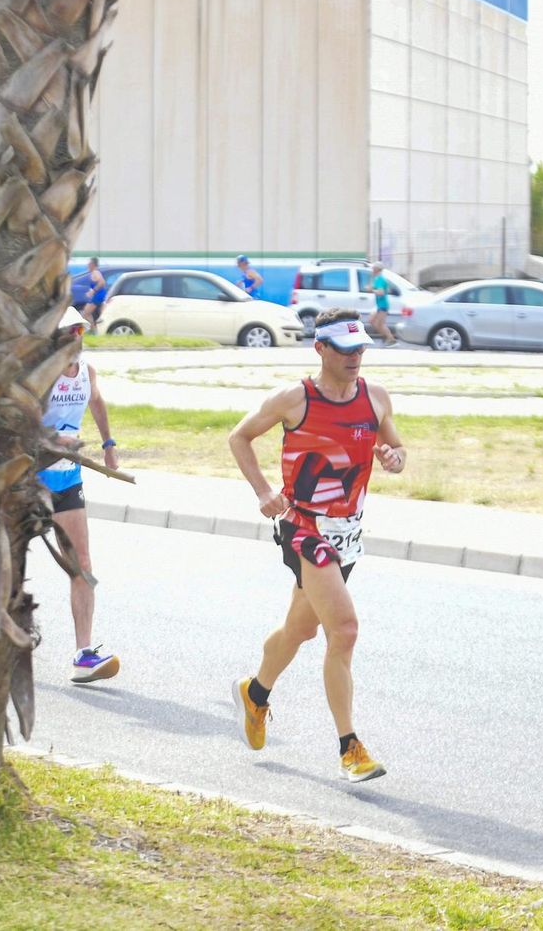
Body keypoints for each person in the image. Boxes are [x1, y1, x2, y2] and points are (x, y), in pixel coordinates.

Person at [227, 306, 407, 782]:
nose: (356, 358)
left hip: (348, 532)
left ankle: (255, 692)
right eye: (346, 350)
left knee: (301, 630)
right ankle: (351, 748)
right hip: (304, 527)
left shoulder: (376, 397)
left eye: (362, 348)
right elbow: (239, 437)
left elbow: (397, 449)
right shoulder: (294, 399)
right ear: (321, 349)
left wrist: (392, 456)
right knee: (343, 631)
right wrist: (264, 492)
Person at [41, 306, 123, 683]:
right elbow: (16, 420)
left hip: (67, 479)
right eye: (69, 332)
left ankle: (83, 655)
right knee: (8, 565)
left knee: (82, 565)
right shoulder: (39, 375)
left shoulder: (86, 370)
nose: (76, 338)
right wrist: (54, 439)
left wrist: (108, 444)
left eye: (80, 331)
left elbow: (97, 401)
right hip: (28, 479)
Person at [368, 262, 398, 346]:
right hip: (379, 304)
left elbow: (381, 292)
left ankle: (391, 339)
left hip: (382, 305)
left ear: (377, 269)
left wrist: (372, 290)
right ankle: (386, 337)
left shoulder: (380, 279)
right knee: (372, 321)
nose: (372, 270)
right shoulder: (378, 278)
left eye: (373, 268)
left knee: (379, 324)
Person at [81, 257, 109, 334]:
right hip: (98, 295)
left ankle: (93, 331)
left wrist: (93, 291)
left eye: (89, 264)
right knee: (87, 314)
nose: (87, 266)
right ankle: (94, 330)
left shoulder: (95, 272)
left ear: (93, 265)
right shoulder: (94, 273)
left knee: (85, 313)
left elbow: (102, 282)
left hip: (98, 296)